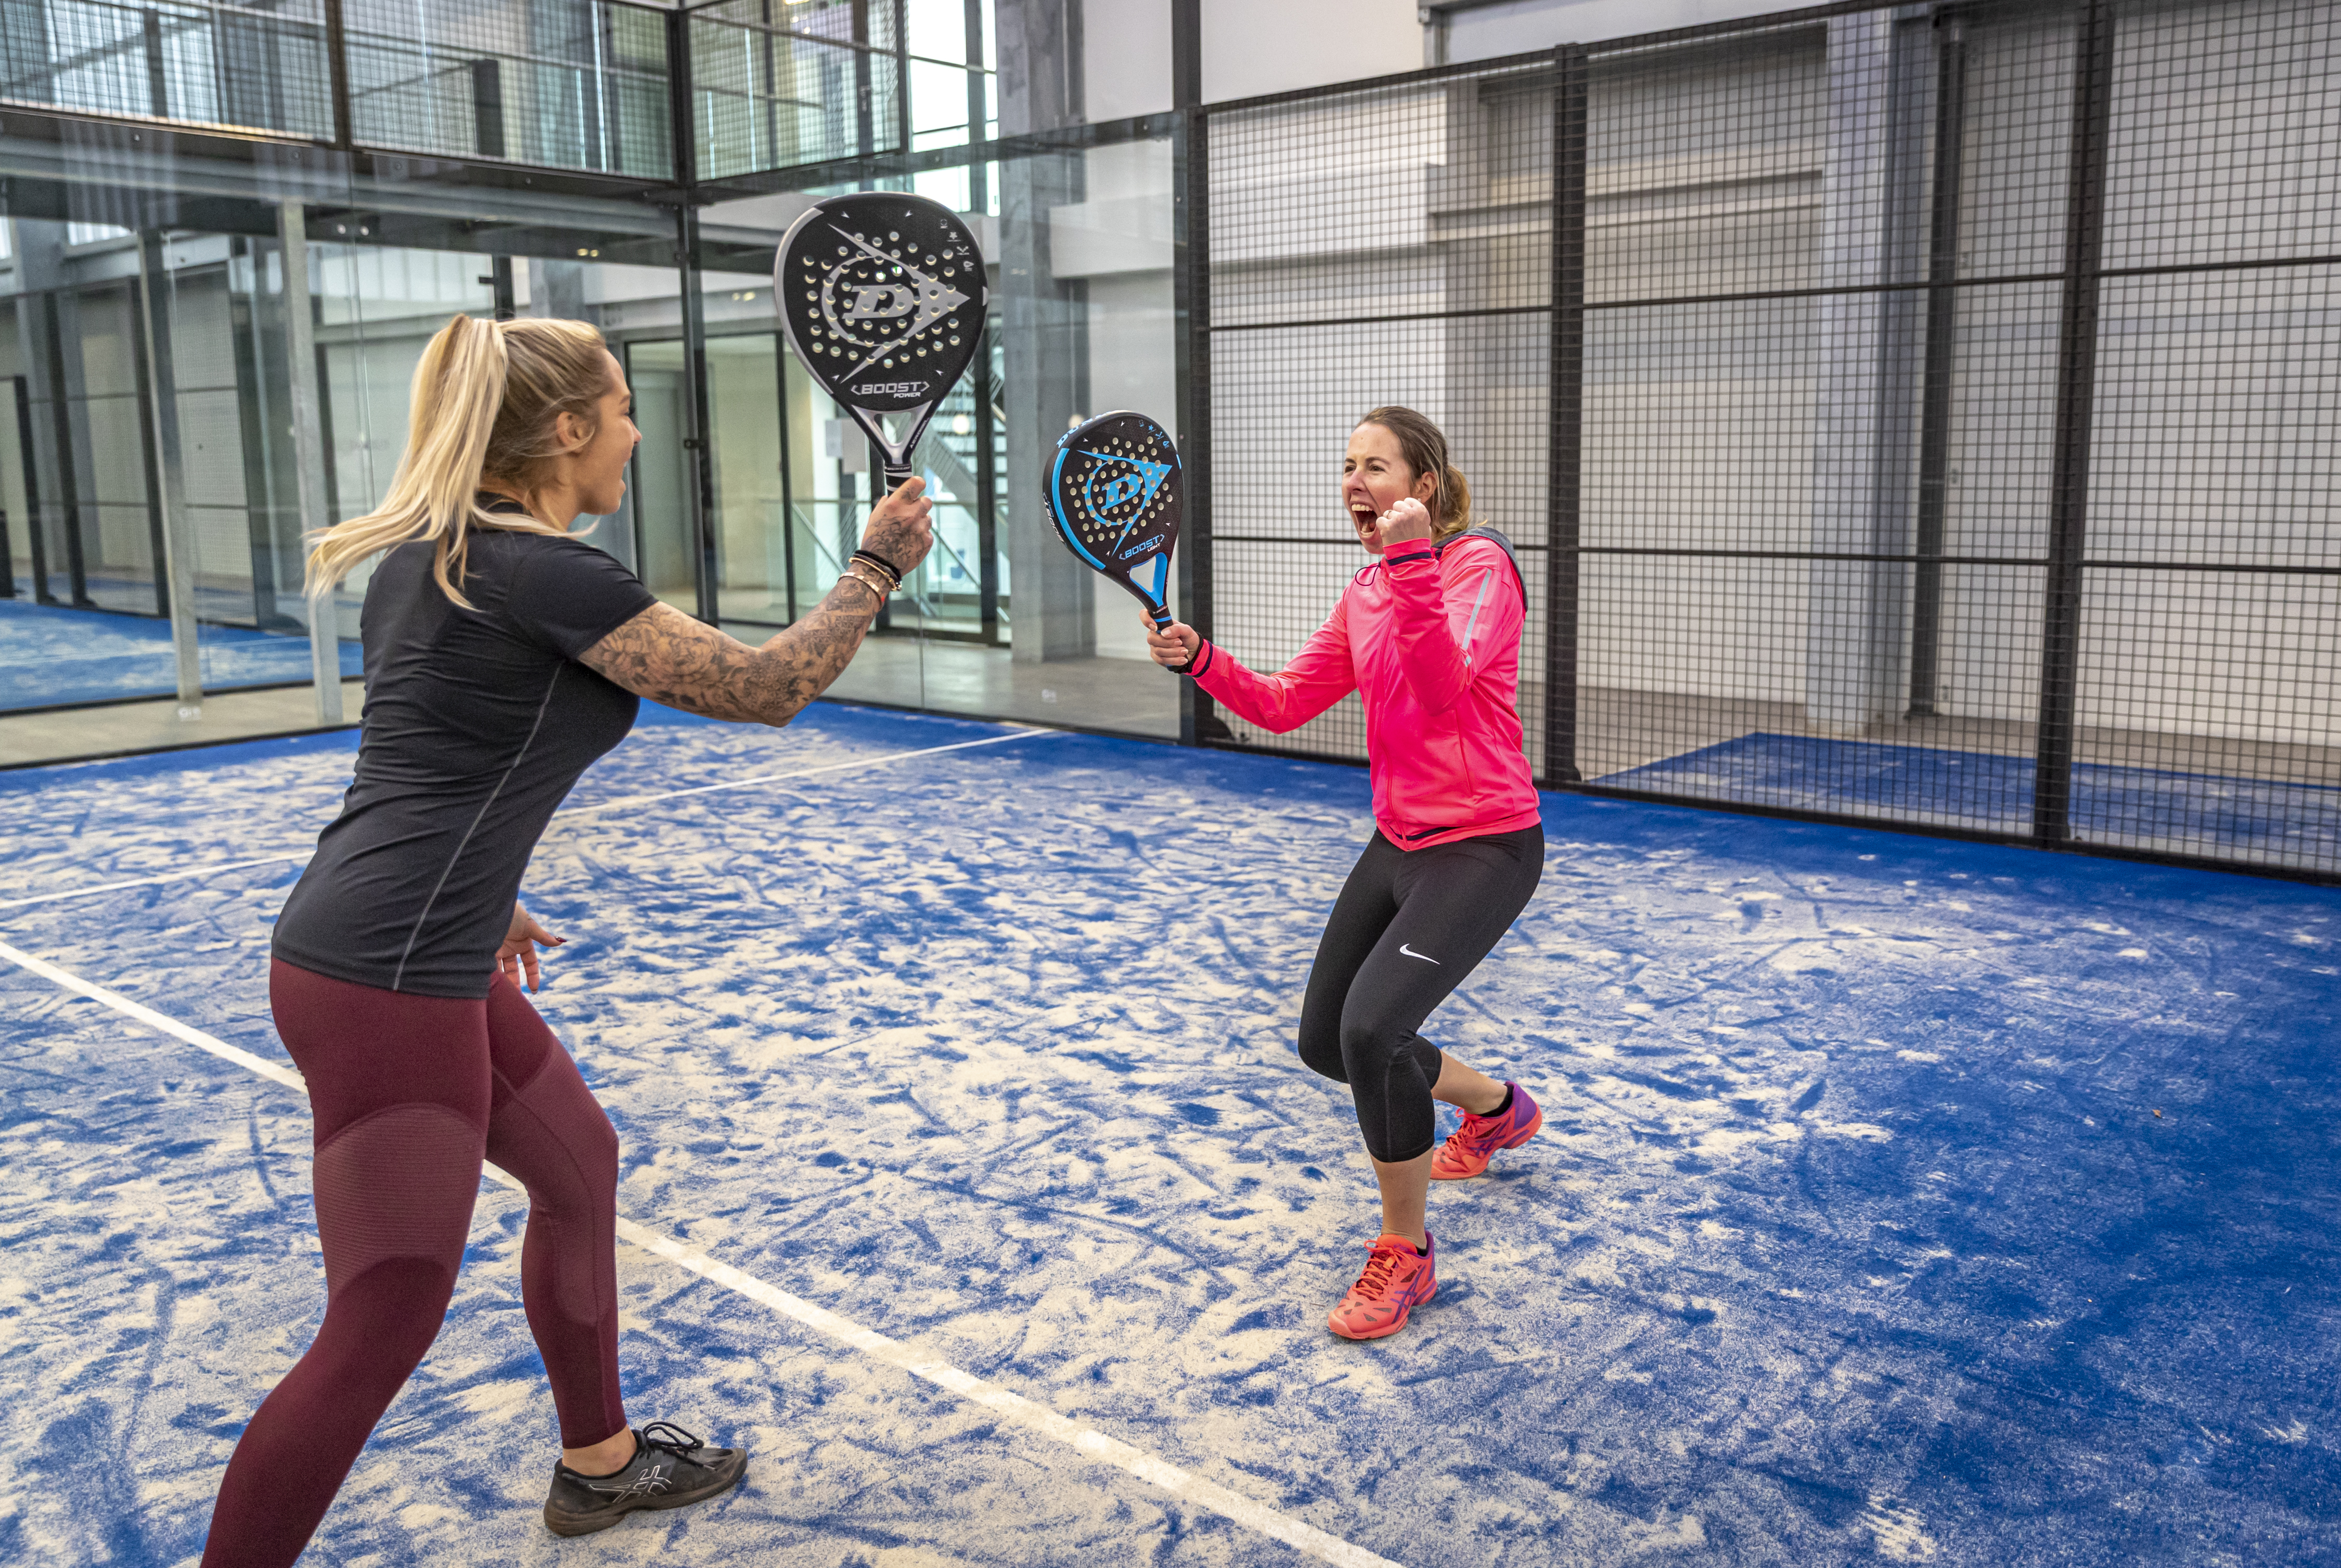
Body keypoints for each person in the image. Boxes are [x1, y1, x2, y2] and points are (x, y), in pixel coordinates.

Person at [202, 313, 933, 1566]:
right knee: (385, 1313)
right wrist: (875, 562)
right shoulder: (546, 571)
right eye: (624, 410)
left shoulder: (434, 557)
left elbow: (434, 756)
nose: (639, 433)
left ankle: (599, 1467)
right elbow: (765, 688)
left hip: (383, 940)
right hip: (389, 979)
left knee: (579, 1163)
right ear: (573, 429)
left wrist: (487, 896)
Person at [1142, 407, 1546, 1342]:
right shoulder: (1368, 587)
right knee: (1329, 1043)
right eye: (1348, 467)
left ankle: (1405, 1252)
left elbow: (1445, 680)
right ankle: (1496, 1107)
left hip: (1486, 844)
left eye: (1376, 467)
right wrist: (1201, 657)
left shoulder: (1481, 565)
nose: (1354, 484)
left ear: (1425, 485)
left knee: (1373, 1029)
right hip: (1399, 841)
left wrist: (1410, 565)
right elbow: (1285, 704)